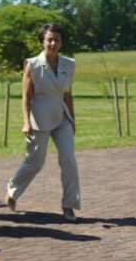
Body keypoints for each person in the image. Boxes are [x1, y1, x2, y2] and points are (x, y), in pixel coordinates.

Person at [6, 23, 80, 222]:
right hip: (38, 118)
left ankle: (69, 204)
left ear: (62, 42)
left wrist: (73, 119)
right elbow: (26, 96)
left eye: (57, 40)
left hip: (62, 118)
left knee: (68, 160)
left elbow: (67, 94)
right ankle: (12, 191)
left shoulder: (69, 65)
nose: (53, 43)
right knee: (36, 162)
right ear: (42, 42)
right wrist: (26, 122)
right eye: (49, 39)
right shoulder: (32, 64)